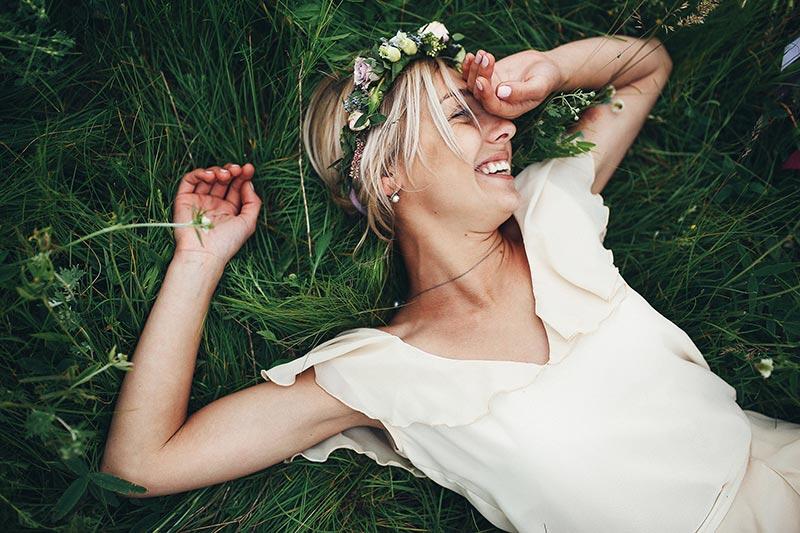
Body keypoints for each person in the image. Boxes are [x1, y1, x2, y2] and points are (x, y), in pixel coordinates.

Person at [100, 21, 800, 533]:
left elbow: (647, 65)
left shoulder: (551, 211)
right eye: (465, 115)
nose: (506, 127)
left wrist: (548, 70)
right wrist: (197, 261)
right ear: (388, 172)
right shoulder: (377, 374)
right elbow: (140, 466)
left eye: (493, 111)